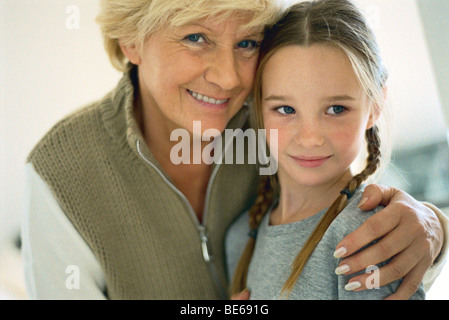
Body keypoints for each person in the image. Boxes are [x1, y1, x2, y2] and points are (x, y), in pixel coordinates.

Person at [22, 0, 447, 300]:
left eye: (247, 43)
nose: (228, 79)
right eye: (196, 37)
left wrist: (436, 226)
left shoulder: (270, 114)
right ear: (130, 40)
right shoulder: (61, 172)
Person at [226, 0, 439, 300]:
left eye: (336, 109)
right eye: (285, 109)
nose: (310, 138)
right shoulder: (239, 239)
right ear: (256, 106)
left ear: (375, 106)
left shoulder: (366, 235)